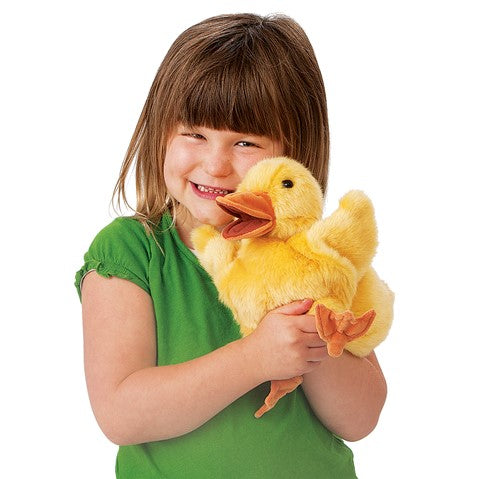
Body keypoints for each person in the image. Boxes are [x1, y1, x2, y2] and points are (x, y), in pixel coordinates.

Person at [75, 13, 387, 478]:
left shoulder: (312, 255)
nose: (216, 164)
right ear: (160, 132)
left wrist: (313, 340)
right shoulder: (129, 254)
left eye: (245, 142)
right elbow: (120, 414)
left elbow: (360, 419)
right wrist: (256, 357)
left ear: (294, 152)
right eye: (194, 134)